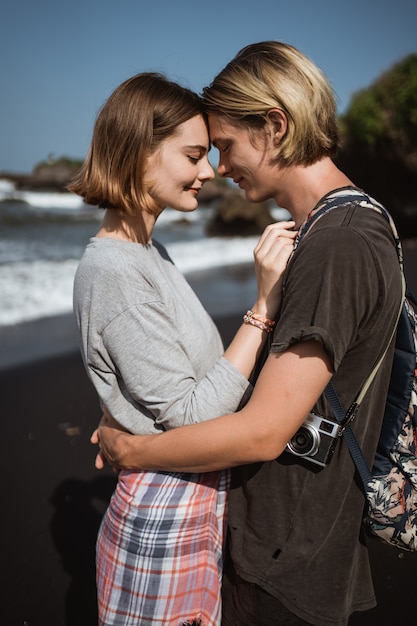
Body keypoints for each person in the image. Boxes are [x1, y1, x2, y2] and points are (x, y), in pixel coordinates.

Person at [93, 42, 404, 626]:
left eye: (227, 145)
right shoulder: (344, 227)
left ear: (275, 126)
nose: (221, 167)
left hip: (285, 557)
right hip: (298, 543)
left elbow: (264, 433)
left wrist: (135, 450)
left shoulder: (338, 244)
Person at [69, 71, 296, 626]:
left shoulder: (149, 252)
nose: (210, 170)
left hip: (187, 501)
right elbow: (193, 413)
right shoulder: (116, 271)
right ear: (138, 152)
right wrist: (263, 306)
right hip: (165, 520)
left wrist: (119, 409)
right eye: (193, 155)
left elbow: (161, 385)